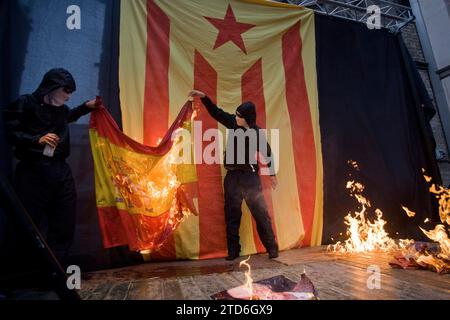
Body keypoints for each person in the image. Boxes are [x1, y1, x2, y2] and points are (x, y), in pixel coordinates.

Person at [3, 68, 98, 265]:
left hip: (60, 171)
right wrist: (36, 139)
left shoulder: (61, 110)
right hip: (32, 172)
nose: (68, 95)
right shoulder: (25, 103)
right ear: (52, 87)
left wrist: (86, 107)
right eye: (66, 90)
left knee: (64, 221)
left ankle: (55, 271)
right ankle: (17, 274)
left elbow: (69, 116)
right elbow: (10, 133)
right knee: (27, 223)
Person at [188, 89, 279, 260]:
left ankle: (272, 248)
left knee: (260, 213)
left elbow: (267, 153)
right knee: (231, 215)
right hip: (232, 178)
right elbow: (217, 113)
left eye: (239, 116)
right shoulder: (232, 123)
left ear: (248, 119)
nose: (236, 117)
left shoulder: (257, 134)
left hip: (250, 178)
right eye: (236, 114)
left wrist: (272, 174)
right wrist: (204, 98)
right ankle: (233, 251)